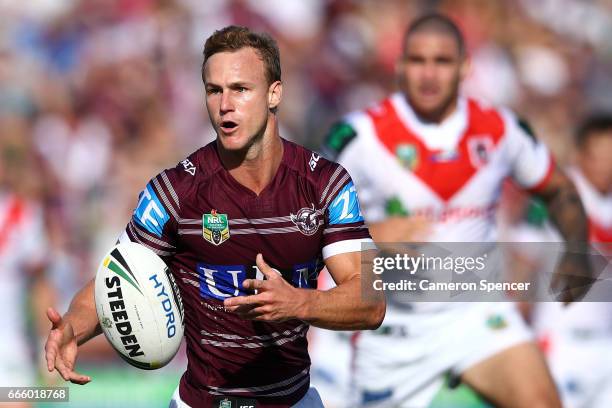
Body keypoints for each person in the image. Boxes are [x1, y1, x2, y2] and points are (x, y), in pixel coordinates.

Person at [44, 26, 385, 408]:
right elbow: (119, 276)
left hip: (292, 400)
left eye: (240, 89)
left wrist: (297, 302)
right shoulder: (174, 192)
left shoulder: (325, 184)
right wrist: (74, 325)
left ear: (275, 93)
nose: (225, 104)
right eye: (214, 90)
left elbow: (371, 301)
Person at [323, 13, 591, 408]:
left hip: (477, 315)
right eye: (417, 60)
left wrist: (576, 250)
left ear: (465, 66)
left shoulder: (500, 129)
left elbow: (559, 189)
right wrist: (372, 231)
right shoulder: (359, 136)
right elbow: (301, 217)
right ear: (399, 65)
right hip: (394, 329)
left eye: (442, 61)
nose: (428, 74)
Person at [530, 115, 612, 408]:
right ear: (580, 155)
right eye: (599, 155)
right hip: (562, 343)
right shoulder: (559, 195)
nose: (606, 164)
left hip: (606, 343)